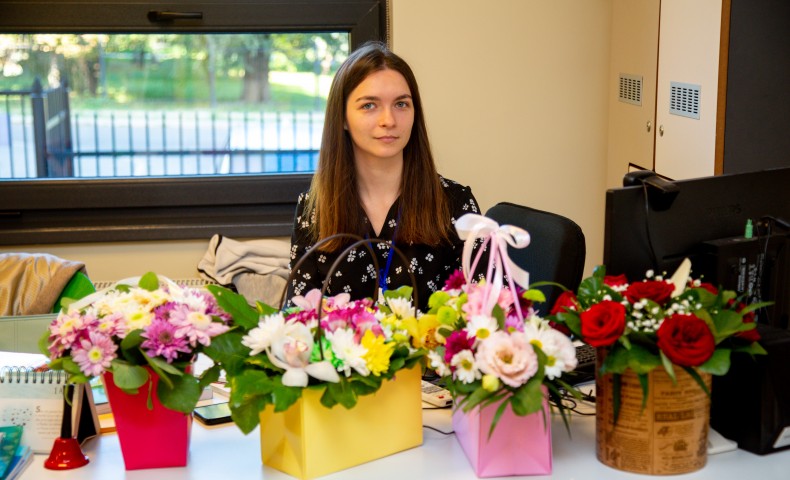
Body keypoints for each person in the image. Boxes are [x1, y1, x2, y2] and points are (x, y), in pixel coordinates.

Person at [286, 41, 479, 312]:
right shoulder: (313, 209)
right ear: (342, 118)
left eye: (401, 104)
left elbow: (487, 310)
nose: (388, 120)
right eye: (369, 106)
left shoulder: (456, 203)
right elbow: (298, 316)